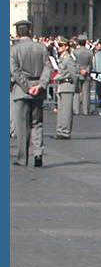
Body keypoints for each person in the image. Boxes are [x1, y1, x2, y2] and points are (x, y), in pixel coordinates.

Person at [10, 20, 51, 167]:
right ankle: (38, 154)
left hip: (21, 90)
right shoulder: (41, 48)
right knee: (37, 124)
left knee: (22, 125)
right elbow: (48, 68)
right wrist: (40, 85)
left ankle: (23, 158)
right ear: (30, 32)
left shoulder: (13, 50)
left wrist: (27, 87)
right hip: (38, 91)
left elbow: (14, 71)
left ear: (17, 33)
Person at [53, 38, 78, 139]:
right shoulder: (62, 58)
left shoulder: (68, 59)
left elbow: (74, 74)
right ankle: (60, 130)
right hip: (61, 86)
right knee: (61, 110)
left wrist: (75, 87)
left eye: (61, 45)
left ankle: (65, 131)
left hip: (67, 85)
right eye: (58, 45)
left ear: (66, 47)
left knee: (66, 111)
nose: (59, 47)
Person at [72, 37, 92, 115]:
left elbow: (74, 63)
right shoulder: (90, 52)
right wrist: (86, 70)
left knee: (76, 92)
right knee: (86, 93)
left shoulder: (75, 52)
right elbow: (91, 63)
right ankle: (86, 110)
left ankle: (76, 110)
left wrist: (79, 70)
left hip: (77, 73)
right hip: (86, 74)